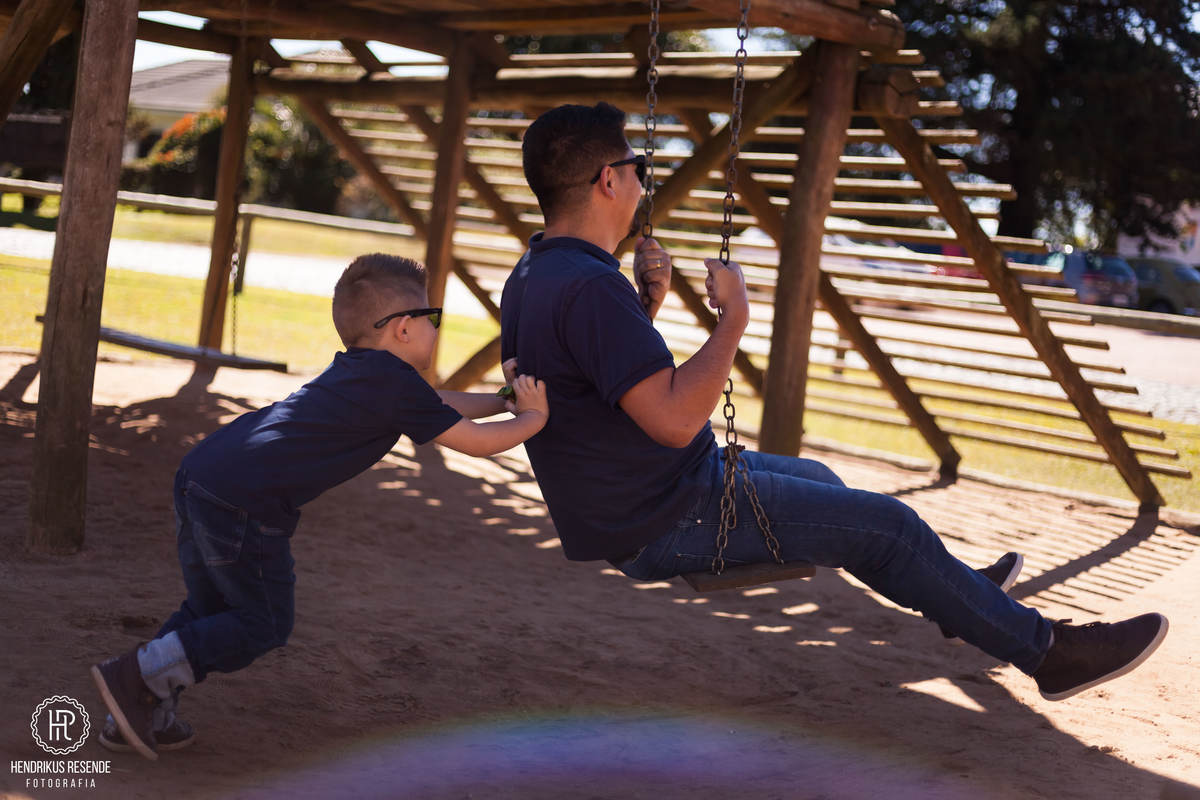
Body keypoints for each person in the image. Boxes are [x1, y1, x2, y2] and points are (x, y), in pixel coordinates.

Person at [500, 101, 1168, 706]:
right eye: (638, 169)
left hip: (633, 502)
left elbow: (592, 389)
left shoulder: (533, 273)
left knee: (824, 483)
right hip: (664, 515)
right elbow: (674, 421)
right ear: (607, 181)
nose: (644, 184)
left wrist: (646, 307)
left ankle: (960, 599)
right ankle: (1050, 654)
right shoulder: (591, 288)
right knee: (890, 527)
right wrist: (734, 316)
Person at [91, 254, 549, 760]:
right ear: (402, 329)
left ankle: (136, 705)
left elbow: (440, 403)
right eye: (432, 317)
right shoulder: (391, 386)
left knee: (212, 609)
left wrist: (505, 398)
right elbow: (478, 444)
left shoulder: (364, 372)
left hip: (204, 476)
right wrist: (532, 417)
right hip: (246, 501)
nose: (436, 327)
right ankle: (136, 673)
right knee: (262, 622)